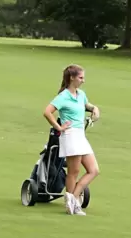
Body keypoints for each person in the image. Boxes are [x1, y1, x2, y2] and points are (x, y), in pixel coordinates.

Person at [43, 64, 100, 216]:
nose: (83, 80)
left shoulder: (81, 94)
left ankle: (73, 198)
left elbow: (87, 105)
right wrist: (58, 127)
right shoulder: (63, 96)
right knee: (74, 171)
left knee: (94, 170)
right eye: (81, 77)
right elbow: (47, 112)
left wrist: (95, 109)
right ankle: (72, 204)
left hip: (80, 135)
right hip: (70, 135)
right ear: (72, 78)